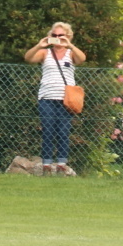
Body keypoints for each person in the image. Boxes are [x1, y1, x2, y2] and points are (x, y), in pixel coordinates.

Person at [24, 22, 85, 176]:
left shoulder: (70, 53)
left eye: (61, 35)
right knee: (48, 131)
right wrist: (39, 45)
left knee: (63, 131)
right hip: (47, 98)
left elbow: (82, 59)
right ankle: (46, 164)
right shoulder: (45, 53)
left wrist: (70, 45)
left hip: (66, 99)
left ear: (68, 36)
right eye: (54, 35)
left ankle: (61, 164)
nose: (57, 38)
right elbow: (29, 58)